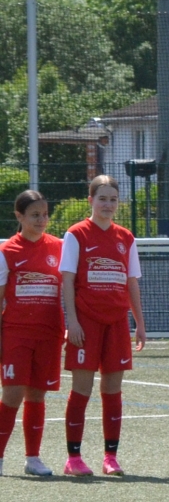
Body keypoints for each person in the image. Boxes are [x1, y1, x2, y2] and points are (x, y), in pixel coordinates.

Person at [61, 177, 145, 476]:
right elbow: (67, 281)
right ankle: (73, 458)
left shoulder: (126, 237)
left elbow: (131, 282)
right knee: (81, 389)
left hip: (117, 323)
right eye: (103, 199)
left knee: (112, 390)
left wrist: (139, 323)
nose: (108, 204)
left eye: (113, 199)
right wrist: (72, 320)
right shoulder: (76, 234)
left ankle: (111, 457)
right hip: (86, 323)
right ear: (91, 201)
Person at [2, 190, 66, 477]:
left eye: (45, 214)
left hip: (49, 334)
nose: (42, 220)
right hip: (16, 334)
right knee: (12, 394)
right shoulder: (7, 252)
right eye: (35, 215)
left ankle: (33, 458)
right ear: (19, 216)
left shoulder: (59, 247)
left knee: (37, 395)